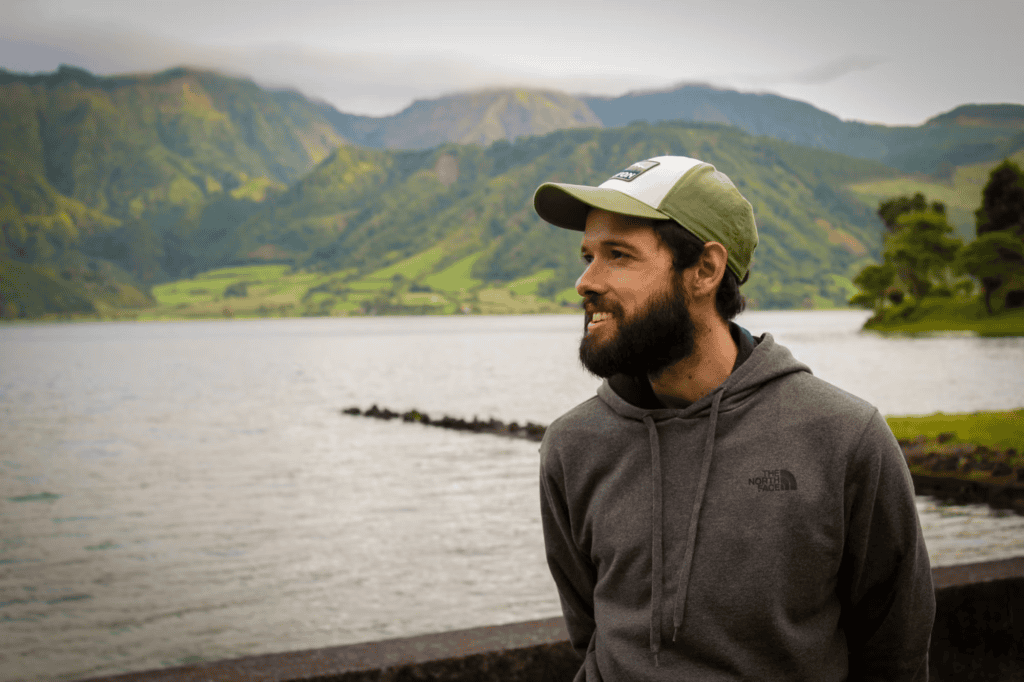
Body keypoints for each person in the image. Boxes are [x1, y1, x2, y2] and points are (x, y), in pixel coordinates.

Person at [532, 156, 935, 681]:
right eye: (587, 255)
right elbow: (590, 631)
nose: (586, 281)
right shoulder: (573, 445)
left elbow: (896, 651)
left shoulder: (843, 436)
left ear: (704, 269)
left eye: (618, 255)